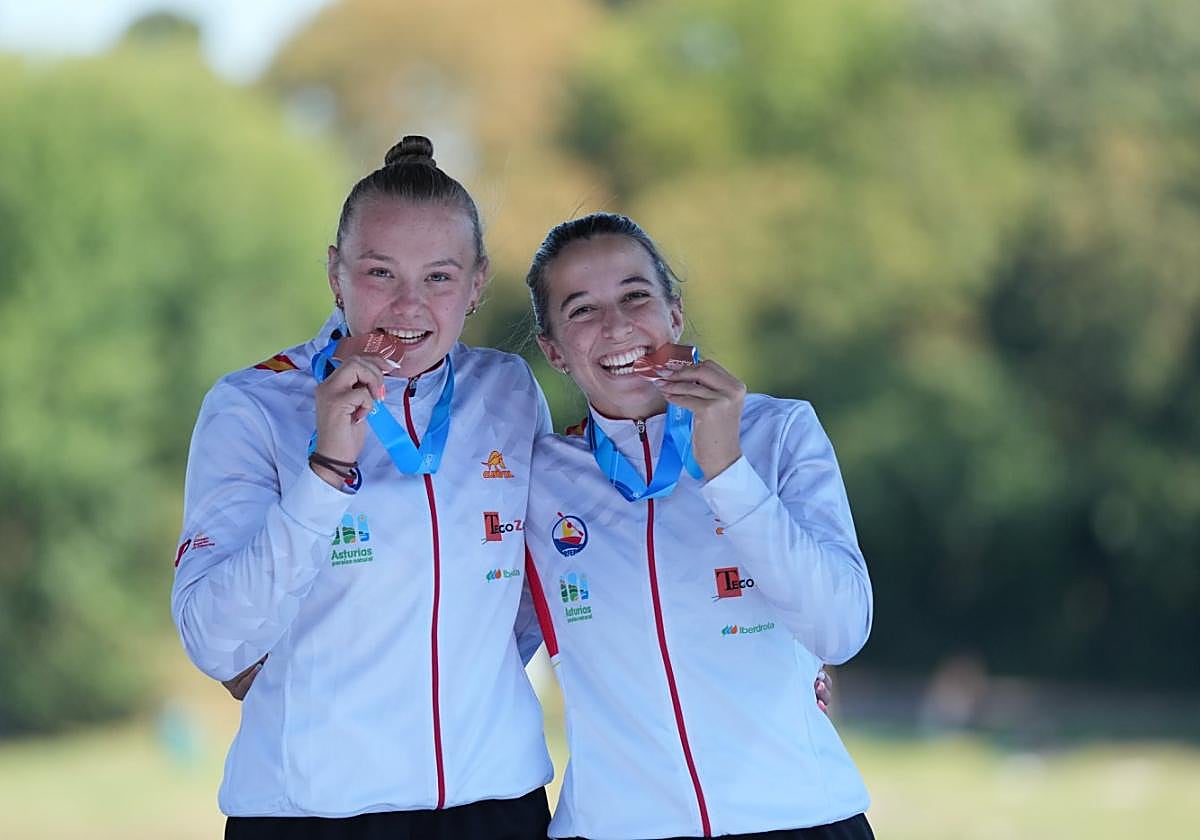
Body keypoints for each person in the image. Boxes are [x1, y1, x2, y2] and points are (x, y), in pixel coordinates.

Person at [171, 136, 553, 839]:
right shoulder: (253, 404)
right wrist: (325, 473)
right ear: (335, 274)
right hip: (314, 813)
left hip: (496, 804)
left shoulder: (508, 390)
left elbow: (535, 588)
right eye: (380, 272)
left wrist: (467, 688)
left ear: (476, 283)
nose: (407, 307)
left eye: (439, 277)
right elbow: (214, 641)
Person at [521, 213, 875, 840]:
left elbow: (839, 629)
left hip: (798, 819)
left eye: (636, 296)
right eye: (581, 310)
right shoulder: (538, 476)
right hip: (613, 830)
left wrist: (728, 472)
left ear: (675, 313)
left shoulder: (780, 433)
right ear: (553, 350)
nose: (617, 326)